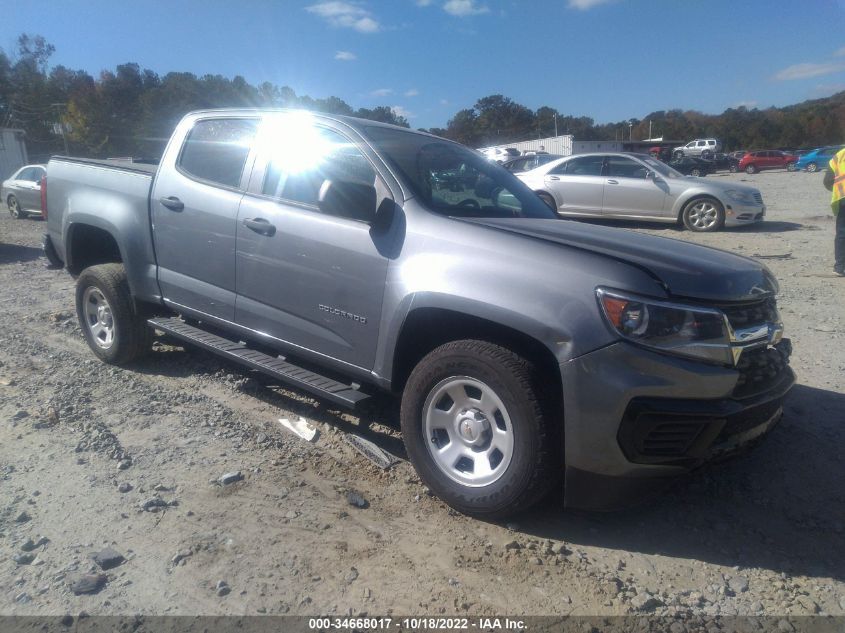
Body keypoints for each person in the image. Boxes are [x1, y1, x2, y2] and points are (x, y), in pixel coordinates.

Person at [822, 146, 845, 276]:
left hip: (843, 199)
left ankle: (840, 267)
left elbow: (827, 181)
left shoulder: (839, 156)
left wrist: (838, 189)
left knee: (842, 234)